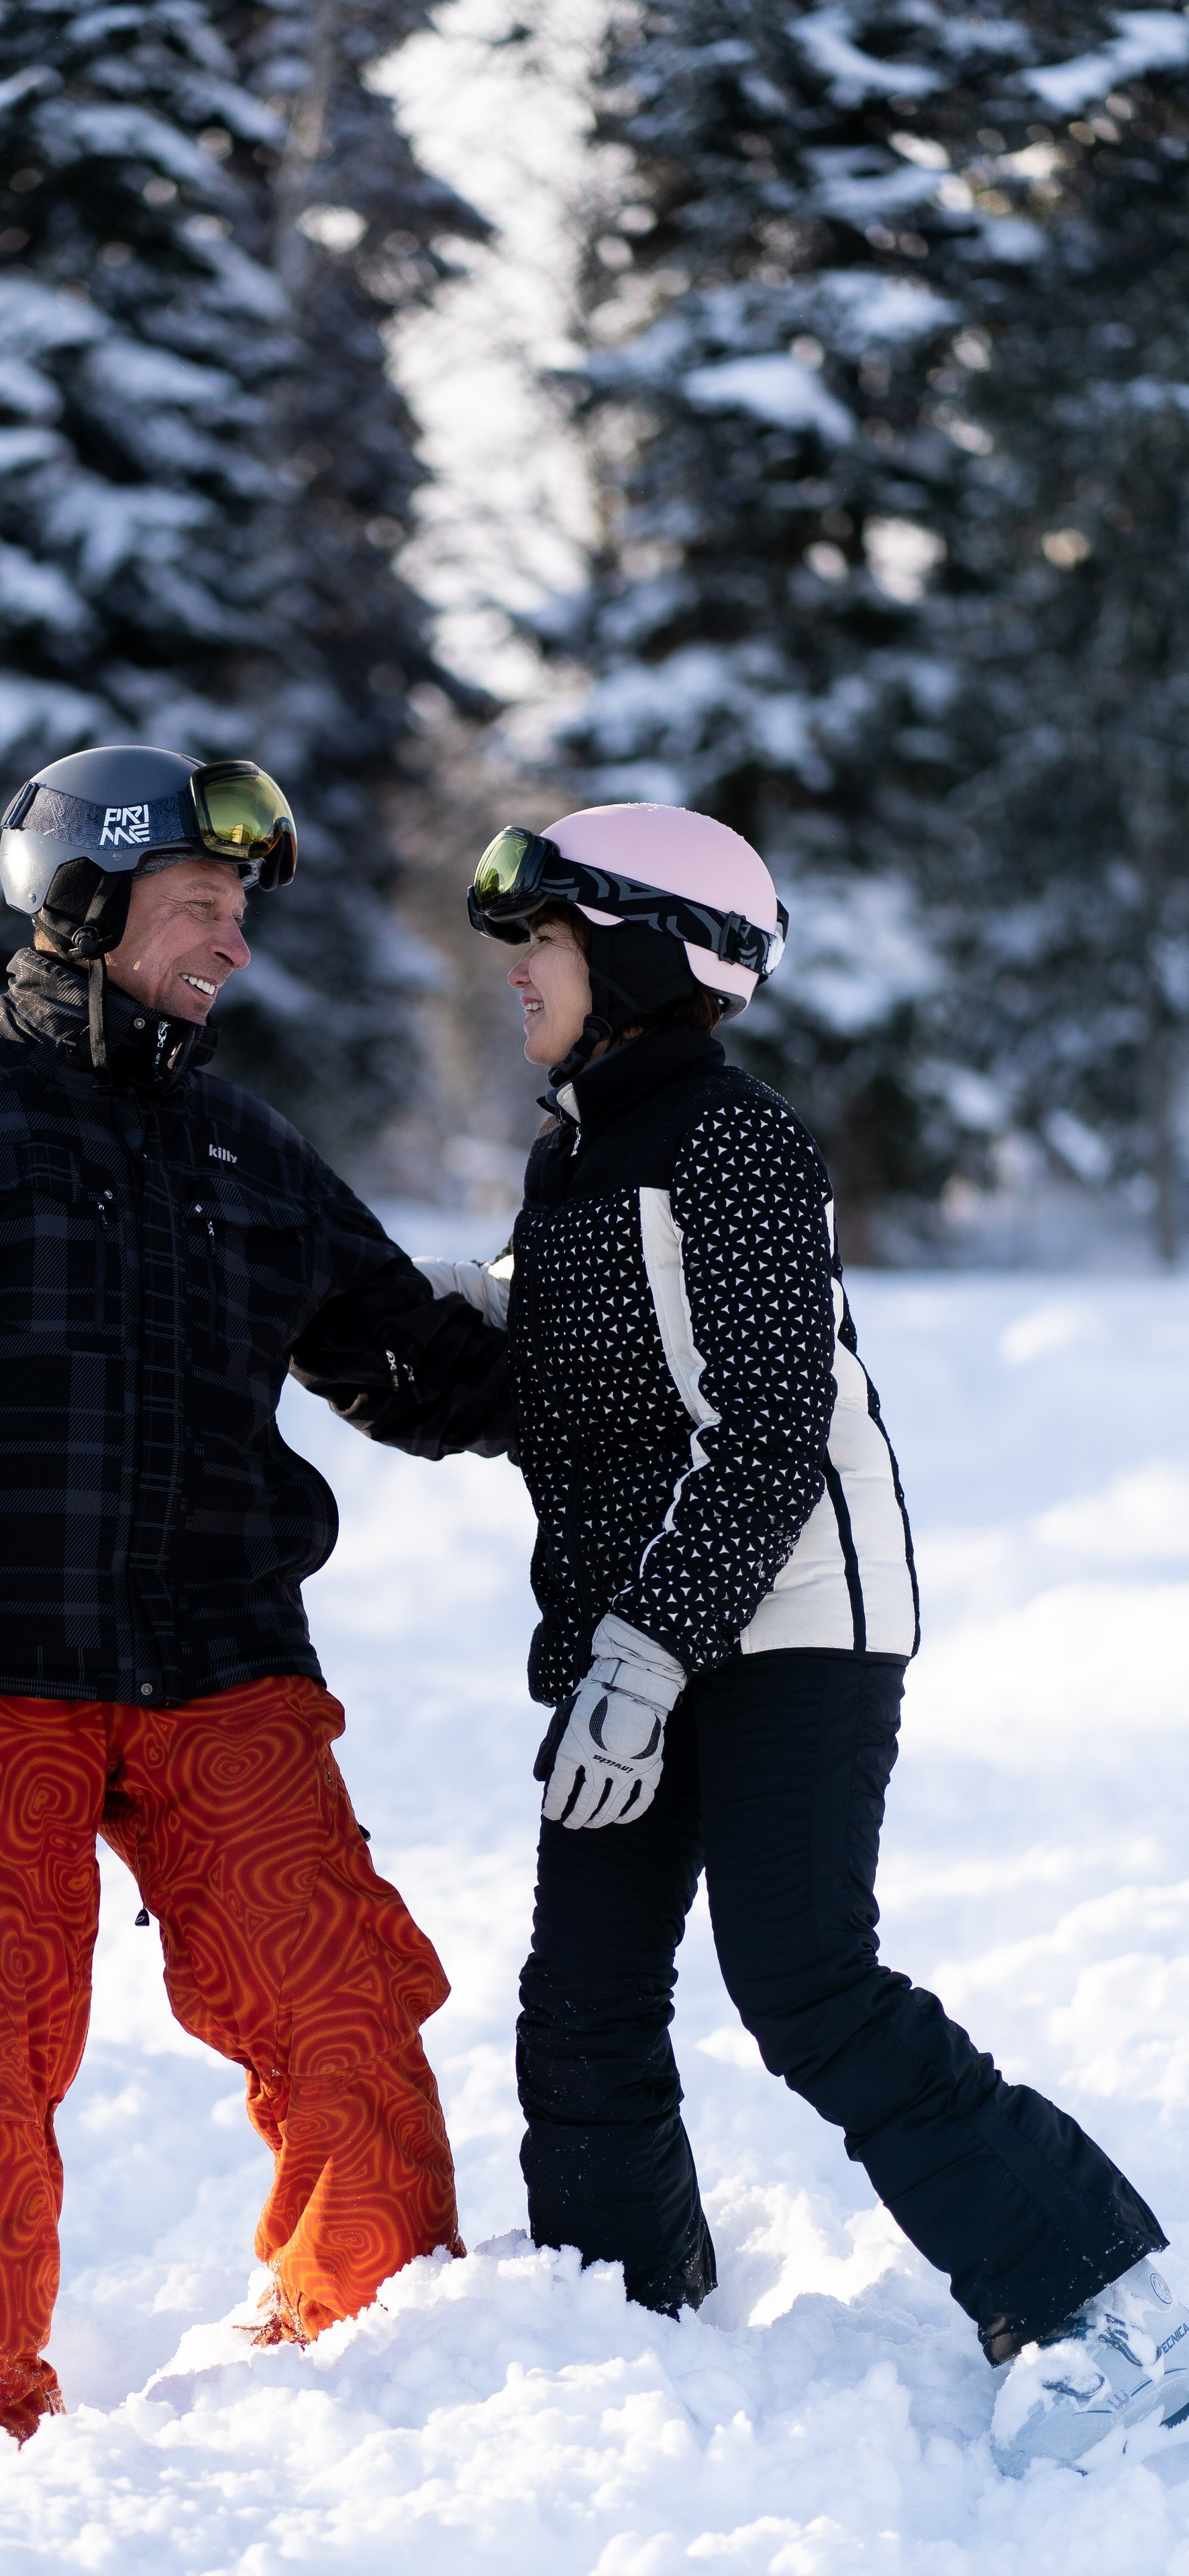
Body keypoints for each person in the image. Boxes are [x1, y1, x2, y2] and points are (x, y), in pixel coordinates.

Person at [0, 744, 511, 2495]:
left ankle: (386, 2367)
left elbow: (415, 1367)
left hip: (222, 1657)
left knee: (344, 2010)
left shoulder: (249, 1147)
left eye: (241, 913)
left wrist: (607, 1306)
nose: (234, 943)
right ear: (81, 904)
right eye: (200, 906)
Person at [417, 800, 1186, 2476]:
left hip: (794, 1623)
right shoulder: (570, 1159)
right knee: (582, 1993)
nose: (514, 975)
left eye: (539, 943)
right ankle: (618, 2307)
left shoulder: (735, 1141)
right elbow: (542, 1391)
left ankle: (1099, 2297)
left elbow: (767, 1432)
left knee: (802, 1977)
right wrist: (391, 1321)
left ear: (636, 953)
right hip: (640, 1628)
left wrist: (644, 1662)